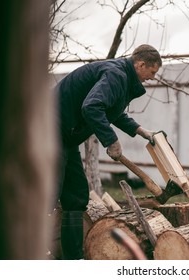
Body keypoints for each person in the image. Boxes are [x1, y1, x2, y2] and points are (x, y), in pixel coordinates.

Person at [54, 44, 162, 259]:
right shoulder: (116, 74)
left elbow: (113, 112)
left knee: (75, 197)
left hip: (65, 137)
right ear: (141, 64)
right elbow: (91, 107)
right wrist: (111, 141)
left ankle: (72, 262)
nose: (152, 77)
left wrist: (140, 131)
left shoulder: (122, 77)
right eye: (152, 72)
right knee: (47, 193)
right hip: (47, 130)